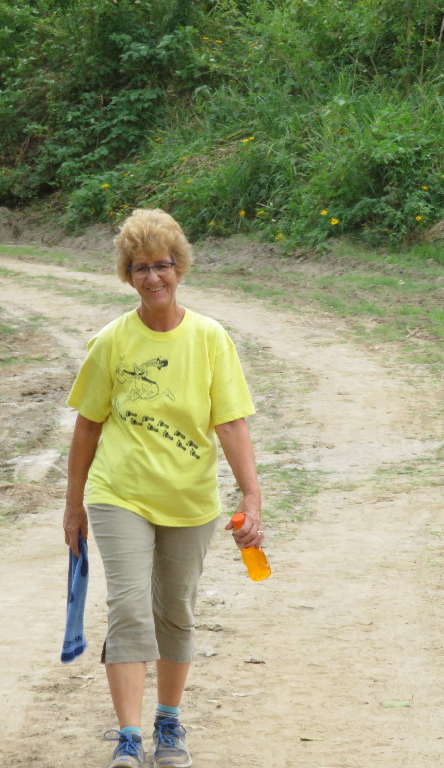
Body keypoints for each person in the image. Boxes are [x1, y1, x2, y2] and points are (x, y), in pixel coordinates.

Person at [62, 209, 264, 768]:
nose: (153, 277)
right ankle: (128, 737)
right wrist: (74, 506)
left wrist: (251, 496)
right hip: (119, 494)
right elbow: (87, 425)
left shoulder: (210, 338)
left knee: (175, 610)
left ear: (180, 268)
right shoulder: (111, 341)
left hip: (190, 498)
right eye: (141, 267)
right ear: (127, 274)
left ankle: (168, 723)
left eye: (163, 265)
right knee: (129, 608)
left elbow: (231, 423)